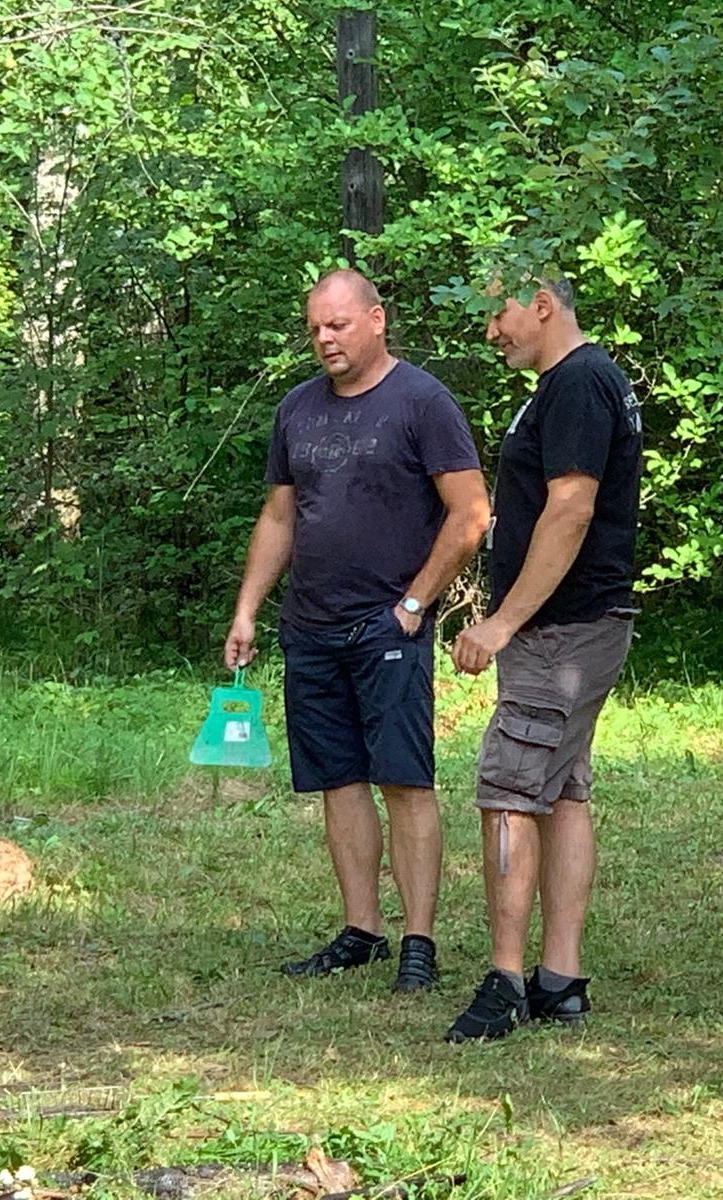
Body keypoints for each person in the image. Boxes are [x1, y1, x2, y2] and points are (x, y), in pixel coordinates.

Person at [223, 269, 489, 994]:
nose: (324, 339)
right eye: (315, 328)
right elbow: (280, 516)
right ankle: (362, 929)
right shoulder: (297, 409)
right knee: (337, 781)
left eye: (337, 325)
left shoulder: (424, 403)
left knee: (404, 780)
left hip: (388, 627)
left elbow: (470, 514)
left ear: (376, 320)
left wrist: (414, 604)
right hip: (310, 628)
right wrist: (248, 608)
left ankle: (418, 942)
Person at [444, 269, 642, 1041]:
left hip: (564, 629)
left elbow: (572, 509)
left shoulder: (579, 383)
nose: (490, 332)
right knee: (562, 792)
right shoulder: (572, 383)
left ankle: (504, 982)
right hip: (575, 626)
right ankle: (559, 980)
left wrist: (501, 623)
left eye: (497, 313)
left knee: (508, 790)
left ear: (542, 304)